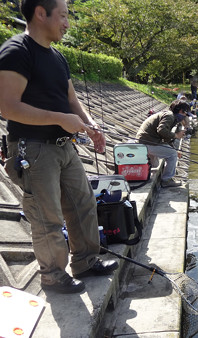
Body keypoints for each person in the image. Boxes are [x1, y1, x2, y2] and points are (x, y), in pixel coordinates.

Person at [0, 0, 118, 294]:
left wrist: (91, 126)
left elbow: (72, 102)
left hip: (65, 146)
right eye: (63, 16)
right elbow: (7, 107)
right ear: (41, 13)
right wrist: (60, 119)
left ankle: (86, 261)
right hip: (32, 149)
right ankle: (52, 275)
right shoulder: (16, 51)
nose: (67, 23)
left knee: (84, 204)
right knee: (47, 216)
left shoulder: (58, 58)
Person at [136, 99, 189, 187]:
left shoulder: (170, 115)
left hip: (148, 142)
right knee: (172, 154)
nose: (185, 116)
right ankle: (166, 180)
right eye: (185, 114)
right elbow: (161, 130)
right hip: (147, 143)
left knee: (164, 158)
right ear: (181, 111)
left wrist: (174, 149)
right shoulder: (170, 116)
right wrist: (176, 135)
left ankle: (151, 175)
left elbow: (165, 137)